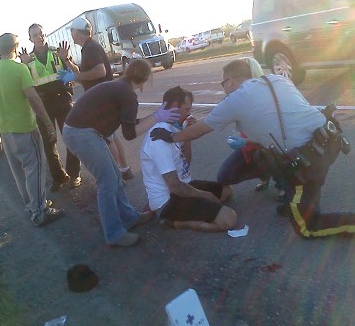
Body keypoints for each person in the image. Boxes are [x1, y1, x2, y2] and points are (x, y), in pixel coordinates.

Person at [150, 59, 355, 239]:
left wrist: (171, 136)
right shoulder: (278, 79)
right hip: (330, 140)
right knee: (267, 154)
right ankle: (297, 196)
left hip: (308, 161)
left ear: (231, 80)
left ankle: (309, 202)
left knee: (308, 228)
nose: (224, 87)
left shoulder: (236, 99)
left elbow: (198, 130)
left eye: (223, 83)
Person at [62, 59, 180, 247]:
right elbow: (130, 133)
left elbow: (129, 122)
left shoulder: (120, 86)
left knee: (115, 176)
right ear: (145, 79)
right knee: (107, 182)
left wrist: (156, 115)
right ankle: (114, 233)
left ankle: (129, 217)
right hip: (81, 133)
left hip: (80, 130)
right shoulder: (127, 94)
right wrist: (157, 117)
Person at [0, 33, 63, 227]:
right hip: (23, 127)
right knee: (34, 168)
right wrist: (46, 122)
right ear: (15, 47)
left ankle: (32, 205)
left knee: (19, 172)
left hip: (4, 129)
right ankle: (40, 212)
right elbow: (33, 98)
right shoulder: (19, 69)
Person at [141, 86, 236, 231]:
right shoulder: (159, 137)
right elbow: (175, 187)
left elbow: (186, 165)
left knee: (227, 192)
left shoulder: (174, 130)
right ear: (174, 107)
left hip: (183, 187)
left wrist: (187, 135)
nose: (189, 114)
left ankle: (189, 211)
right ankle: (173, 222)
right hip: (167, 200)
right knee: (229, 219)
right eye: (187, 109)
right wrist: (207, 196)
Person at [58, 16, 134, 180]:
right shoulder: (88, 48)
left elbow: (100, 71)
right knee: (112, 136)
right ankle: (124, 168)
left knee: (106, 138)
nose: (70, 34)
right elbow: (82, 72)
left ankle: (115, 174)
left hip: (102, 102)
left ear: (77, 33)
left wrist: (75, 77)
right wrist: (67, 61)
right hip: (106, 99)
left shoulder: (90, 48)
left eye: (71, 31)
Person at [19, 23, 81, 190]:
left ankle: (74, 175)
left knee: (71, 138)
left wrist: (66, 58)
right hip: (42, 105)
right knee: (48, 143)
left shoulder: (57, 52)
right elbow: (24, 84)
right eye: (34, 35)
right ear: (30, 38)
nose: (39, 37)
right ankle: (59, 177)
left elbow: (75, 73)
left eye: (41, 33)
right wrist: (23, 65)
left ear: (44, 34)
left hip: (62, 100)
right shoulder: (27, 59)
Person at [220, 57, 285, 200]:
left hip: (271, 146)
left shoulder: (262, 99)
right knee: (224, 175)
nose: (225, 85)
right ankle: (263, 174)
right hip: (251, 146)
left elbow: (269, 136)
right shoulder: (238, 98)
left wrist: (246, 141)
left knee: (263, 154)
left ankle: (283, 184)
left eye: (225, 82)